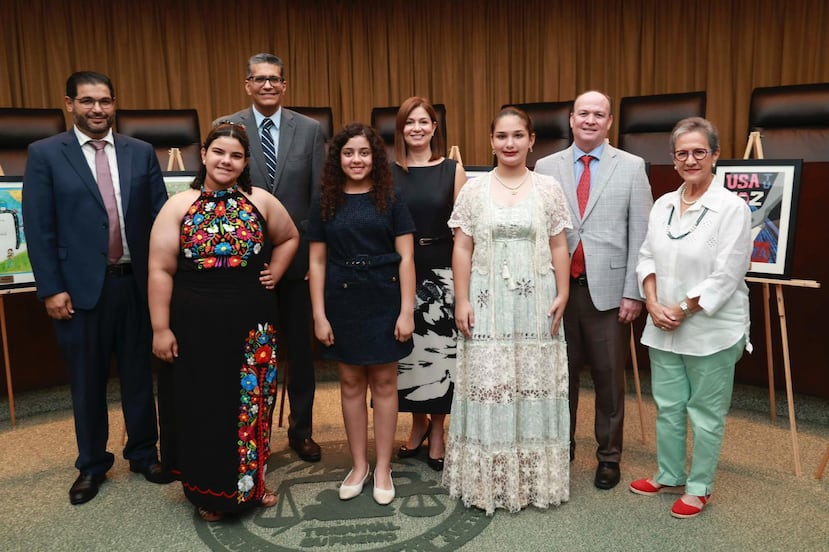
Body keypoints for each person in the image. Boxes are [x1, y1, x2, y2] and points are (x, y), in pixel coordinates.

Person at [22, 71, 172, 506]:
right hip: (80, 291)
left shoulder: (140, 152)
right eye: (87, 101)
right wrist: (51, 288)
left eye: (105, 101)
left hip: (136, 285)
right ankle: (91, 465)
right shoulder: (46, 154)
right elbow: (38, 225)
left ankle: (144, 453)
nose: (97, 110)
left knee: (139, 377)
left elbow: (161, 217)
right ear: (69, 104)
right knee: (86, 382)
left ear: (114, 103)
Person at [148, 123, 300, 521]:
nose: (226, 161)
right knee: (205, 406)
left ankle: (254, 485)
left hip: (254, 325)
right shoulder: (178, 205)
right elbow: (160, 269)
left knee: (252, 406)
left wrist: (277, 271)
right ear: (204, 153)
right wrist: (161, 328)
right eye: (219, 152)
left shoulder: (261, 201)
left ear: (245, 161)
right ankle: (209, 494)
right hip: (195, 324)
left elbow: (289, 237)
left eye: (235, 155)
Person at [443, 106, 571, 515]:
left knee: (533, 383)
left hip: (536, 300)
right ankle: (487, 482)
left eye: (518, 135)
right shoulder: (474, 190)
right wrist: (460, 298)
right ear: (492, 141)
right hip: (486, 301)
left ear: (531, 140)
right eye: (502, 136)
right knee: (490, 381)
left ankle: (534, 480)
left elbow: (558, 245)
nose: (510, 143)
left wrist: (563, 292)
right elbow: (462, 247)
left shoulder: (548, 187)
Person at [630, 117, 752, 519]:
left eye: (700, 151)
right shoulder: (664, 204)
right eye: (682, 153)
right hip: (662, 324)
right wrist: (651, 302)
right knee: (668, 406)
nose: (691, 159)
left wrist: (681, 310)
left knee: (705, 411)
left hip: (711, 329)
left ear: (715, 155)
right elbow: (646, 256)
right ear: (674, 159)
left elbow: (727, 275)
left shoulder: (732, 208)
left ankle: (699, 487)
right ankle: (668, 474)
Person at [535, 90, 653, 490]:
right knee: (559, 376)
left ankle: (608, 456)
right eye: (582, 113)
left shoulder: (633, 167)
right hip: (558, 291)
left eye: (598, 114)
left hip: (609, 292)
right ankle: (559, 447)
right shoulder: (545, 167)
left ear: (609, 122)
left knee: (608, 380)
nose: (589, 120)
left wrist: (633, 292)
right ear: (570, 119)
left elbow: (641, 233)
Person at [215, 53, 325, 463]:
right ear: (247, 84)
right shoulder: (226, 127)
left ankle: (301, 431)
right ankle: (252, 432)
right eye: (259, 79)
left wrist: (314, 260)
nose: (266, 85)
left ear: (284, 86)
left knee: (299, 353)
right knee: (249, 354)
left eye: (274, 80)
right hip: (243, 265)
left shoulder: (311, 130)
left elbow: (317, 199)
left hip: (296, 266)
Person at [307, 123, 415, 506]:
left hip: (384, 298)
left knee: (385, 384)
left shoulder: (391, 198)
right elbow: (317, 261)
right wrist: (319, 314)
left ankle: (383, 466)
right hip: (342, 299)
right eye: (349, 152)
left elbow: (406, 259)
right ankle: (359, 465)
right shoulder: (326, 200)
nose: (357, 159)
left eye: (364, 153)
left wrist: (407, 310)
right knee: (351, 384)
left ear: (376, 157)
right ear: (338, 158)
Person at [392, 97, 466, 471]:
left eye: (424, 122)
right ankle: (416, 424)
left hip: (442, 272)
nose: (417, 128)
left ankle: (438, 430)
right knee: (407, 357)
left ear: (435, 128)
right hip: (399, 272)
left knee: (441, 356)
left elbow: (464, 234)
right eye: (410, 122)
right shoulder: (387, 172)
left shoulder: (453, 170)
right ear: (401, 129)